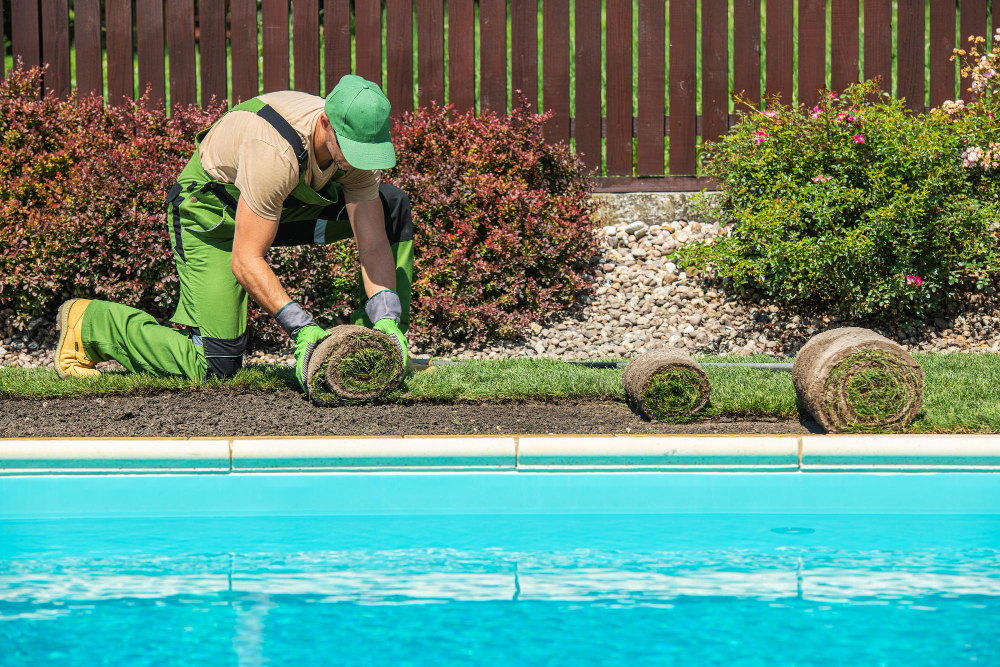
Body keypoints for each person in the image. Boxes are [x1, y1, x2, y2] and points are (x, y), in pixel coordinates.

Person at [52, 74, 413, 395]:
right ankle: (90, 324)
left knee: (390, 206)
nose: (357, 161)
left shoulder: (357, 140)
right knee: (215, 366)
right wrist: (302, 328)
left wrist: (387, 316)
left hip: (279, 206)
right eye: (351, 151)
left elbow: (373, 239)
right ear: (325, 122)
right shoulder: (274, 150)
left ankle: (375, 351)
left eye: (367, 153)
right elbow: (246, 259)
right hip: (211, 218)